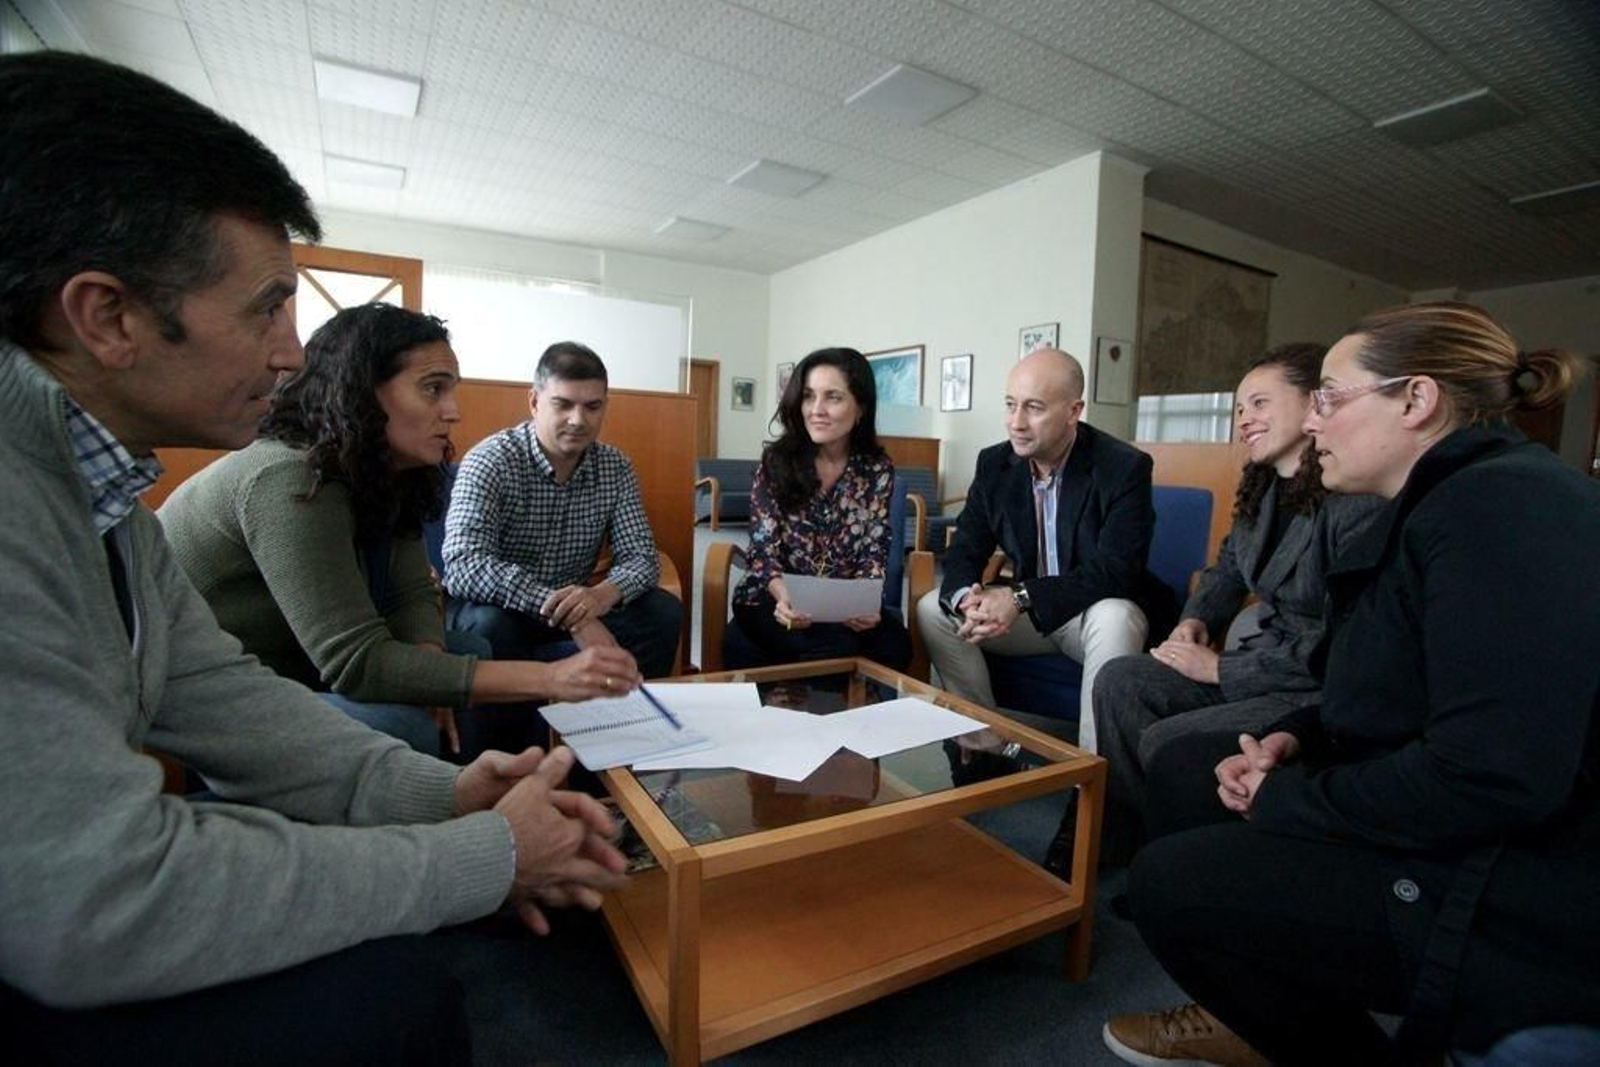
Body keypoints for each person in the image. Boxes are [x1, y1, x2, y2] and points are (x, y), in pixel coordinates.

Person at [0, 52, 626, 1062]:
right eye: (265, 307)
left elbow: (219, 687)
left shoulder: (105, 486)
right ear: (106, 315)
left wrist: (445, 797)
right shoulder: (264, 477)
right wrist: (478, 849)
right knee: (392, 997)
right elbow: (93, 897)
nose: (291, 349)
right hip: (57, 924)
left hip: (126, 835)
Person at [1104, 303, 1600, 1066]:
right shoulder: (1437, 501)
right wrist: (1300, 736)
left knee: (1173, 881)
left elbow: (1490, 774)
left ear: (1416, 399)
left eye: (1330, 397)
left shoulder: (1501, 508)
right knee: (1180, 764)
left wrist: (1289, 796)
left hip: (1503, 877)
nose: (1316, 423)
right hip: (1429, 799)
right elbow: (1397, 687)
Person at [158, 304, 642, 760]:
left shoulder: (392, 474)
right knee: (405, 723)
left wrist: (426, 669)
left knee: (465, 650)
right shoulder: (290, 477)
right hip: (200, 689)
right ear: (362, 392)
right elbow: (356, 662)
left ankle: (480, 783)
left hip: (299, 664)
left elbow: (411, 594)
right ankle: (452, 807)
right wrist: (553, 678)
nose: (452, 411)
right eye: (433, 389)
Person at [1088, 343, 1380, 864]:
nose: (1245, 420)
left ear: (1313, 403)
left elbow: (1343, 646)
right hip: (1260, 662)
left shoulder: (1354, 501)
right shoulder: (1262, 486)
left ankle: (1181, 857)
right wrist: (1195, 621)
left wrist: (1222, 669)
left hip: (1308, 686)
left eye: (1261, 404)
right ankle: (1123, 837)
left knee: (1165, 739)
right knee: (1121, 680)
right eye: (1241, 408)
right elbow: (1225, 570)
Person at [915, 347, 1176, 750]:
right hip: (1035, 616)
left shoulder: (1123, 467)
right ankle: (986, 743)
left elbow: (1116, 570)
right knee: (935, 608)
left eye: (1034, 408)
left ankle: (1092, 778)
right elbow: (968, 544)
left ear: (1074, 411)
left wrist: (1020, 598)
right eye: (1010, 405)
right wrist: (969, 597)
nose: (1016, 423)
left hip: (1090, 612)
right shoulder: (995, 464)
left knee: (1115, 615)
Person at [443, 342, 682, 685]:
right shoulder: (490, 460)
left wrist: (600, 597)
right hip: (501, 607)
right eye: (563, 404)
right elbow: (464, 565)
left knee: (662, 611)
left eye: (592, 407)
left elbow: (641, 558)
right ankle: (511, 736)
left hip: (581, 604)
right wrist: (573, 617)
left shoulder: (615, 466)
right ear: (535, 402)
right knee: (489, 625)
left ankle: (627, 722)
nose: (578, 420)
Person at [727, 347, 911, 670]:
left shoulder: (877, 469)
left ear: (861, 408)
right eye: (809, 396)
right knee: (827, 648)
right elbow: (762, 550)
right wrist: (783, 595)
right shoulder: (776, 462)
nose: (816, 410)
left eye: (833, 398)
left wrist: (866, 600)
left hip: (840, 607)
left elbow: (875, 548)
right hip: (773, 599)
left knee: (898, 645)